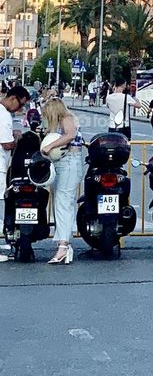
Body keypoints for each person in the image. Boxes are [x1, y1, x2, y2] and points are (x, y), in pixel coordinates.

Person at [40, 97, 84, 266]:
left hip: (69, 162)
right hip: (63, 163)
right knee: (62, 202)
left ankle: (63, 246)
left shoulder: (67, 118)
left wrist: (50, 146)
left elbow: (70, 135)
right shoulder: (64, 119)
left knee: (63, 202)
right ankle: (63, 243)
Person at [0, 84, 30, 259]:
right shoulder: (4, 115)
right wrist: (17, 138)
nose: (20, 109)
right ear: (13, 98)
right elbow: (6, 144)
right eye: (20, 104)